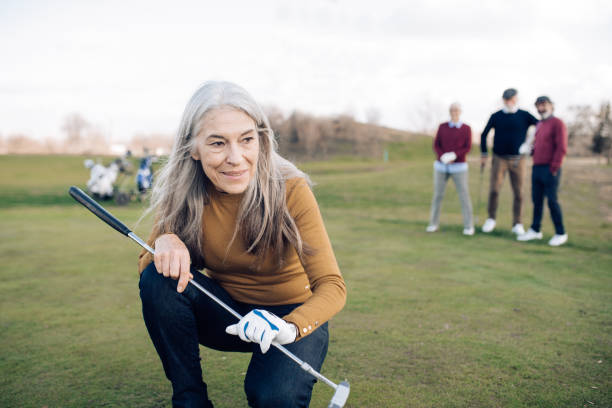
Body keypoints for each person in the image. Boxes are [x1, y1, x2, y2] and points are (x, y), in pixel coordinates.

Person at [136, 81, 347, 407]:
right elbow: (148, 269)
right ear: (194, 148)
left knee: (273, 397)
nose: (236, 158)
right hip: (228, 315)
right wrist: (165, 241)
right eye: (218, 143)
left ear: (261, 140)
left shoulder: (290, 188)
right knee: (157, 277)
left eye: (247, 140)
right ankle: (190, 400)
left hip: (291, 319)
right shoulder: (184, 194)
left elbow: (332, 286)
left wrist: (288, 328)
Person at [480, 88, 538, 235]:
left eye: (512, 99)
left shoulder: (524, 115)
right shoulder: (496, 116)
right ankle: (491, 219)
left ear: (516, 99)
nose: (509, 102)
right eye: (506, 100)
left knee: (518, 192)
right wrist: (484, 152)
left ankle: (517, 223)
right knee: (494, 189)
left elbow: (541, 127)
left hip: (519, 160)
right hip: (499, 158)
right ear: (504, 100)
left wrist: (530, 145)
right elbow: (484, 134)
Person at [518, 96, 568, 246]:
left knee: (552, 201)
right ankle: (535, 230)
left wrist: (555, 167)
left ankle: (560, 233)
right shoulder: (540, 124)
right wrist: (530, 150)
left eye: (544, 105)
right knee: (537, 201)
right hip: (537, 167)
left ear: (551, 106)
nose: (541, 108)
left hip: (550, 168)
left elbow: (561, 148)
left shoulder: (557, 123)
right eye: (538, 106)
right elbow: (539, 146)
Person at [426, 102, 474, 235]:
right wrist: (443, 156)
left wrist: (454, 155)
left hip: (459, 166)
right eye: (452, 110)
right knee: (438, 195)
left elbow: (467, 147)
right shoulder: (442, 127)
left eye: (457, 110)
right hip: (441, 166)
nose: (454, 112)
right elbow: (436, 145)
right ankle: (433, 223)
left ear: (460, 112)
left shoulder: (466, 128)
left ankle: (468, 226)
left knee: (464, 196)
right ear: (450, 112)